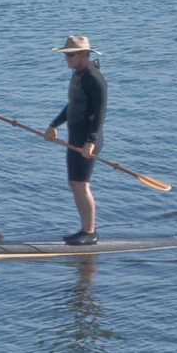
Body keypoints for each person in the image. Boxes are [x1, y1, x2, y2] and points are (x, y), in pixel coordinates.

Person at [44, 36, 107, 245]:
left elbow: (99, 113)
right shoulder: (77, 75)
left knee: (82, 185)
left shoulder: (93, 78)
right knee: (74, 183)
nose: (67, 59)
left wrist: (91, 141)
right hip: (75, 137)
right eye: (65, 55)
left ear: (82, 55)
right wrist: (54, 125)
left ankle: (89, 232)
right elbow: (71, 106)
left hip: (88, 139)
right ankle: (84, 230)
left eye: (70, 55)